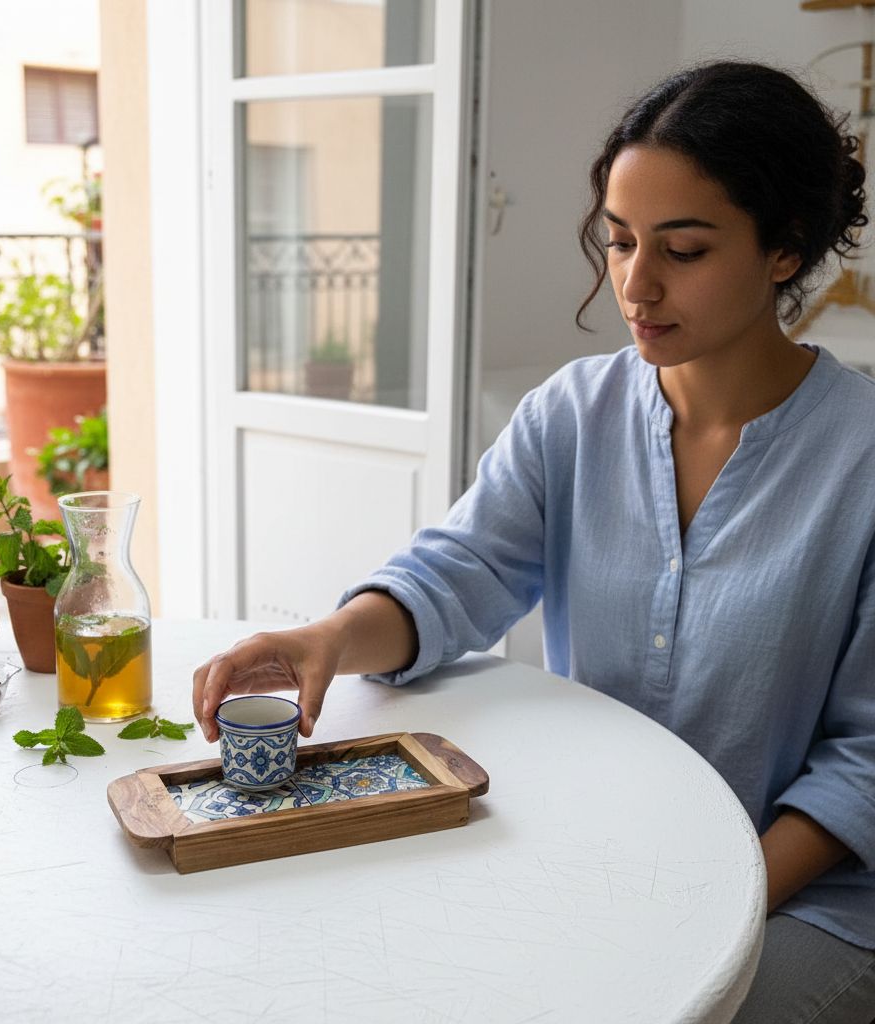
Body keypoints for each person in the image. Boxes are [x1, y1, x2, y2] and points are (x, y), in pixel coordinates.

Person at [193, 61, 875, 1022]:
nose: (634, 284)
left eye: (682, 249)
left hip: (805, 898)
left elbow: (868, 761)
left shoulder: (863, 458)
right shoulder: (574, 412)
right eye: (620, 240)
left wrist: (717, 901)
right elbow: (459, 571)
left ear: (784, 249)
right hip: (606, 855)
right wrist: (332, 639)